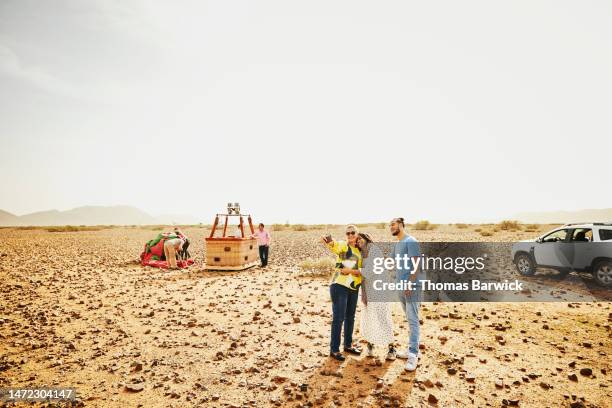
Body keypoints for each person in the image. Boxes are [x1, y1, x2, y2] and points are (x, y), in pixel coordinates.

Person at [321, 224, 363, 361]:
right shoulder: (344, 246)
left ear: (357, 234)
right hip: (339, 285)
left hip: (354, 287)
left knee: (350, 317)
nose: (350, 235)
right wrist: (330, 242)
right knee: (338, 318)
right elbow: (336, 245)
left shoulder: (360, 251)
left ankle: (348, 345)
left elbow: (363, 270)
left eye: (353, 233)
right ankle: (334, 350)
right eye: (348, 233)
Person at [390, 217, 423, 371]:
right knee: (409, 320)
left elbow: (416, 264)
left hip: (412, 287)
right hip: (401, 287)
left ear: (401, 225)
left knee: (413, 320)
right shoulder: (396, 245)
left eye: (393, 224)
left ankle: (413, 355)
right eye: (390, 225)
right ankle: (412, 349)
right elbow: (393, 264)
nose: (391, 227)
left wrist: (410, 282)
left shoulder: (411, 241)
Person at [357, 232, 396, 360]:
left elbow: (368, 272)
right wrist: (363, 293)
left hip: (380, 290)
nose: (358, 241)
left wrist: (351, 271)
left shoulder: (374, 250)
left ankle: (391, 348)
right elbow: (363, 277)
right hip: (369, 290)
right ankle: (370, 345)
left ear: (366, 239)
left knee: (382, 317)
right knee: (369, 317)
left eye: (360, 238)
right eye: (357, 240)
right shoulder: (361, 254)